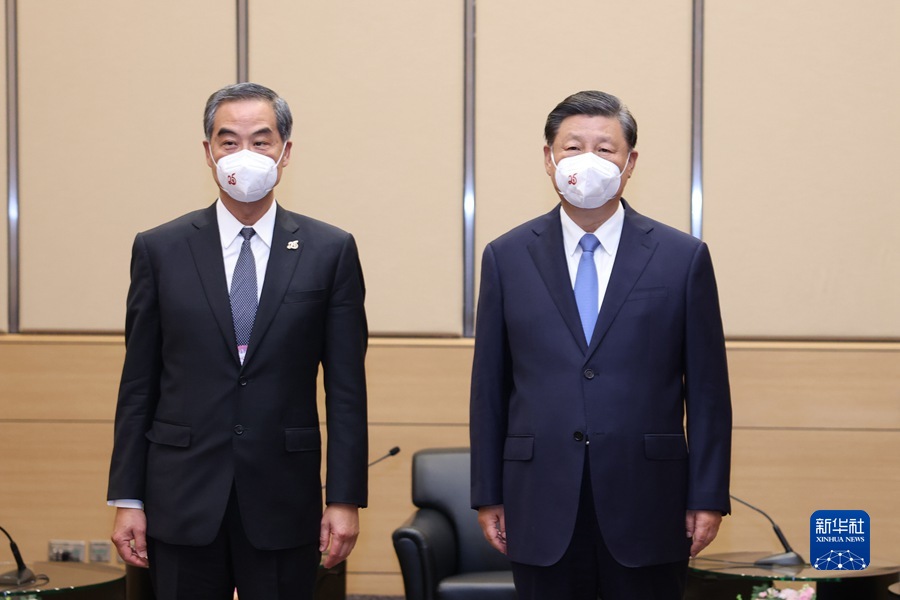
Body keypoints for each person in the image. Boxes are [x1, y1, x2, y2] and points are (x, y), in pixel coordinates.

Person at [107, 82, 368, 600]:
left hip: (283, 497)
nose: (244, 154)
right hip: (180, 497)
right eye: (229, 141)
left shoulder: (329, 250)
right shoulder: (160, 249)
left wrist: (344, 499)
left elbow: (346, 391)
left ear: (285, 152)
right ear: (208, 153)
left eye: (260, 140)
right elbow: (138, 384)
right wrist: (127, 498)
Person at [469, 90, 732, 599]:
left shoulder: (682, 257)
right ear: (549, 158)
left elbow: (708, 392)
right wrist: (488, 493)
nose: (587, 161)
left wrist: (707, 496)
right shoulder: (507, 256)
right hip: (538, 498)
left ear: (629, 163)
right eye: (572, 147)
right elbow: (489, 389)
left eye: (605, 148)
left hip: (650, 501)